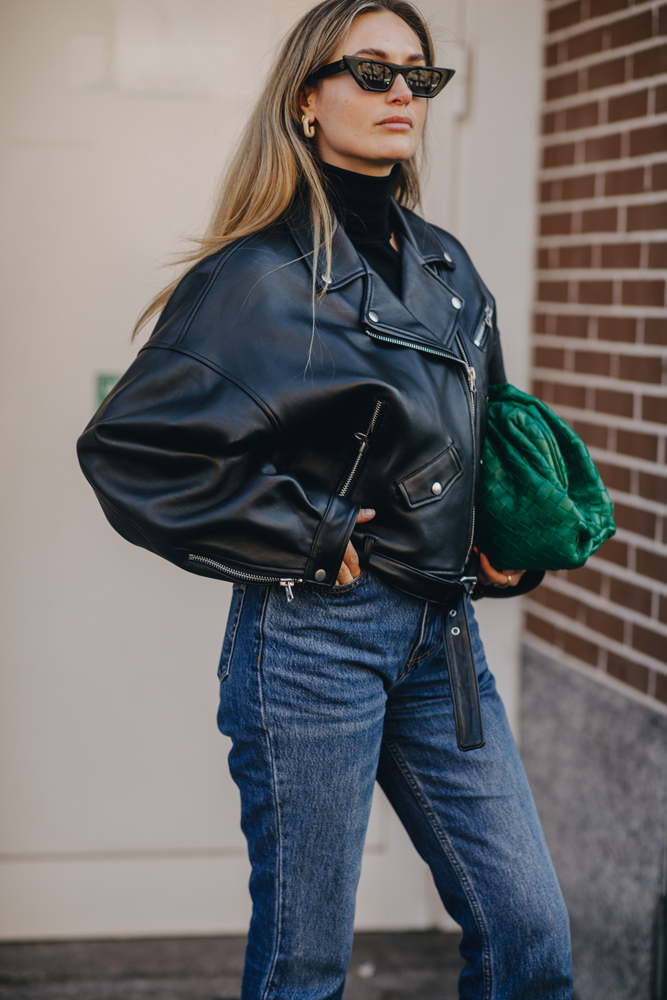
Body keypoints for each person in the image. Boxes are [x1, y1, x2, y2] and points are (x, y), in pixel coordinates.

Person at [77, 1, 574, 996]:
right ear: (307, 100)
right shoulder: (256, 277)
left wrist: (502, 539)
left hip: (443, 644)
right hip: (313, 641)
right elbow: (131, 449)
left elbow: (476, 435)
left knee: (530, 933)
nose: (401, 93)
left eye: (418, 77)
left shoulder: (448, 266)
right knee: (304, 959)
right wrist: (306, 531)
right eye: (372, 71)